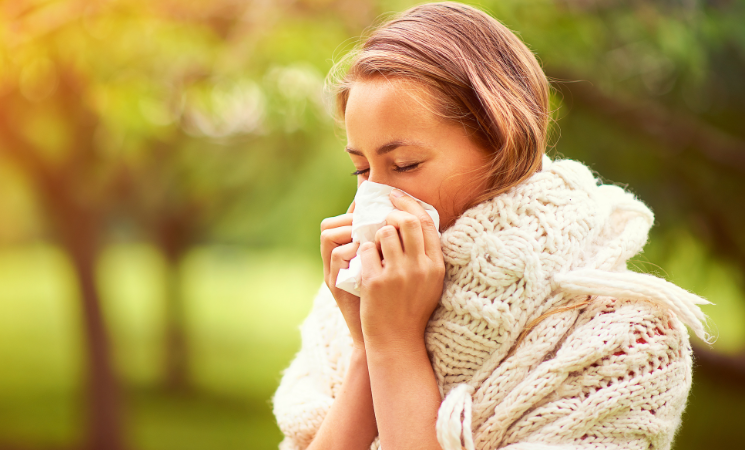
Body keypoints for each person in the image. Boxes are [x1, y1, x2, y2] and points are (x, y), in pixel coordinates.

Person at [273, 3, 711, 450]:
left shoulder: (627, 340)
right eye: (362, 169)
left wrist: (398, 347)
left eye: (404, 164)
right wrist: (368, 348)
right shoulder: (351, 306)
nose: (374, 201)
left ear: (503, 143)